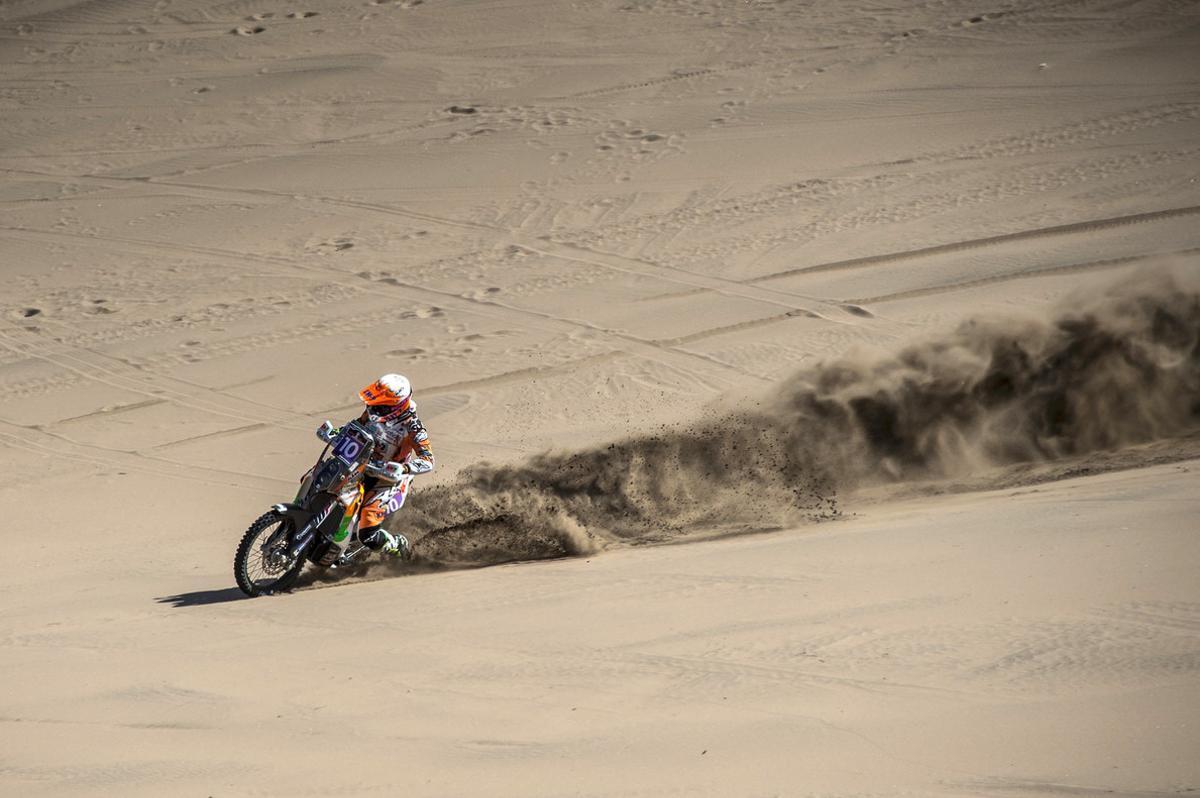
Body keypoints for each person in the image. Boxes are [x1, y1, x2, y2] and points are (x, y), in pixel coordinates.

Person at [317, 373, 434, 560]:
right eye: (374, 403)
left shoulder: (413, 428)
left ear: (396, 406)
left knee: (368, 534)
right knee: (323, 481)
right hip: (360, 465)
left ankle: (397, 546)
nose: (374, 408)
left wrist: (404, 469)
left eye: (381, 405)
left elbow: (428, 460)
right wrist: (333, 434)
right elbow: (354, 428)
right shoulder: (371, 413)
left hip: (388, 480)